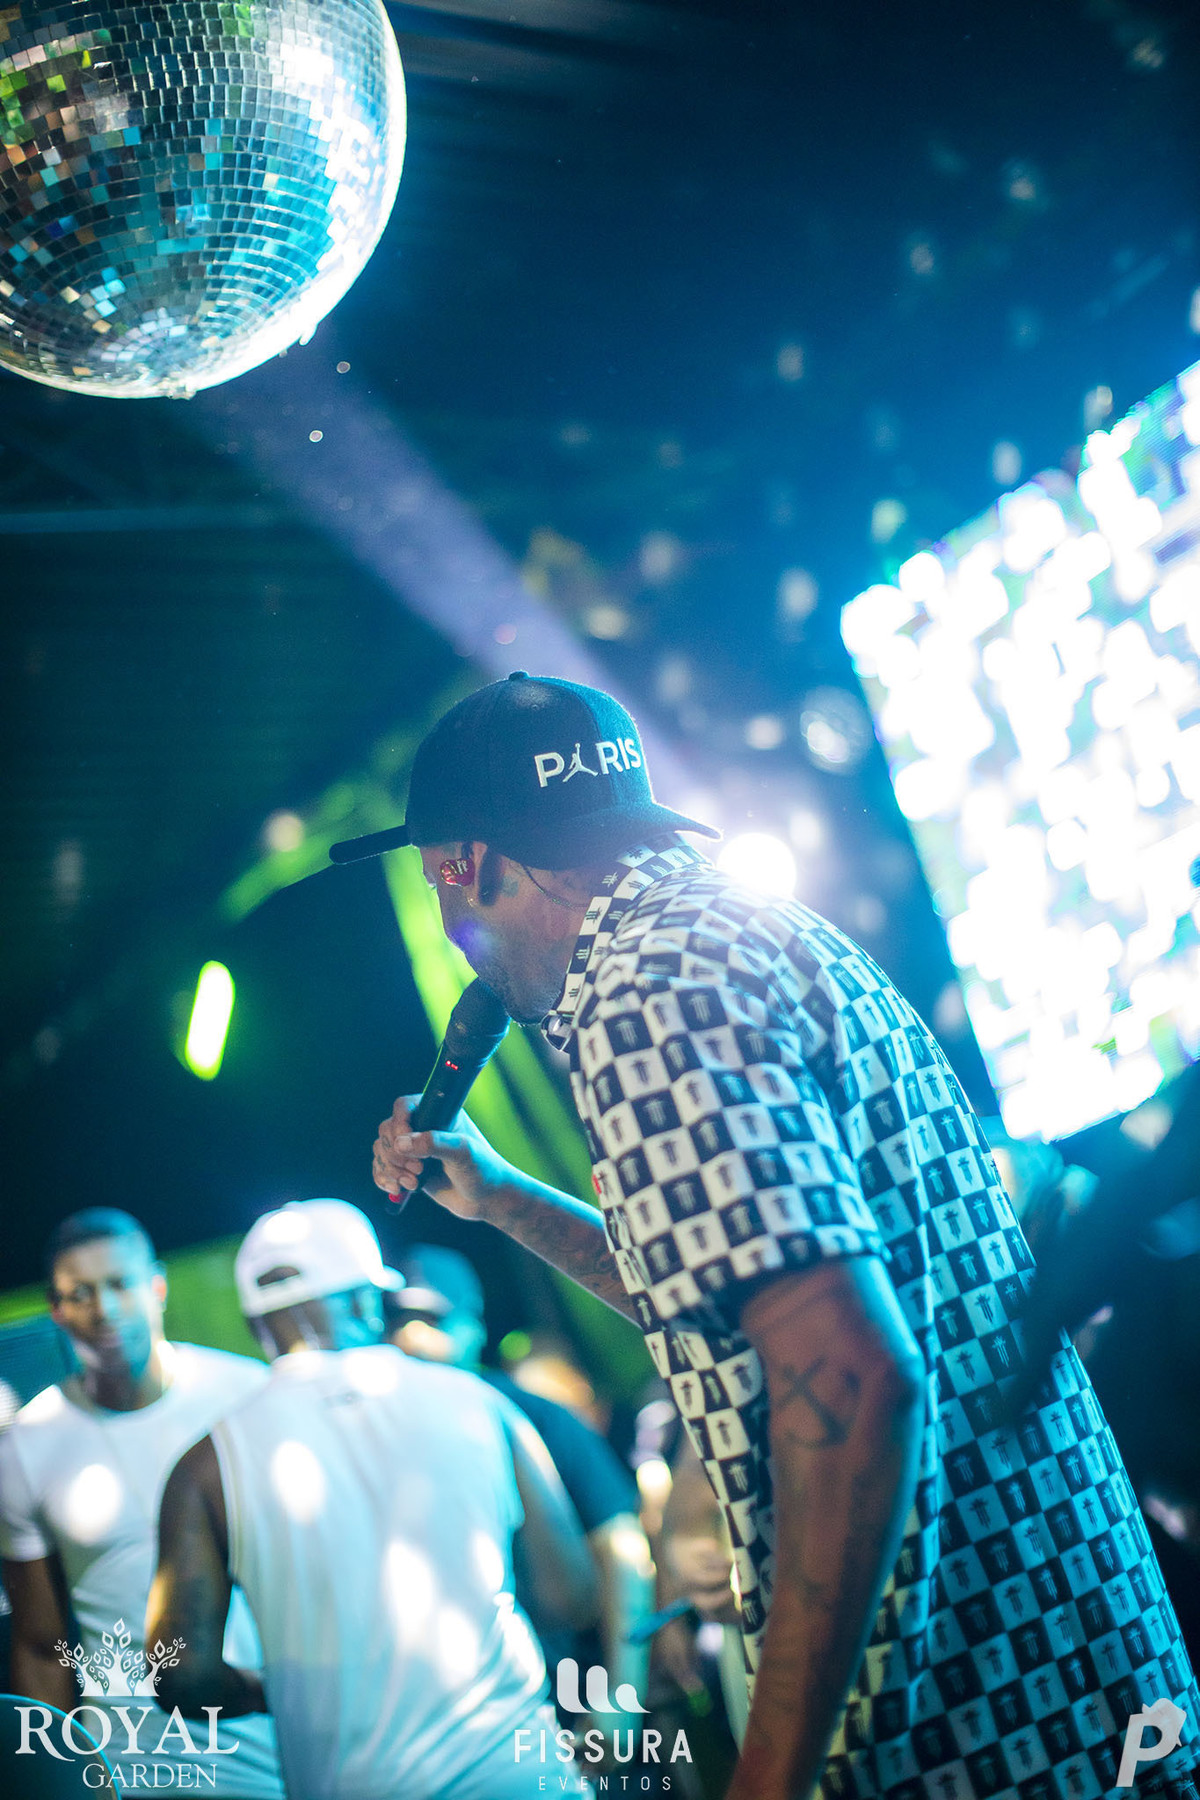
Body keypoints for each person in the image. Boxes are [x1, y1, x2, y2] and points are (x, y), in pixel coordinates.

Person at [361, 671, 1200, 1800]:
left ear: (474, 863)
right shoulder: (738, 931)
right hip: (1079, 1669)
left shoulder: (642, 995)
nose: (452, 931)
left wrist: (771, 1776)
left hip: (972, 1718)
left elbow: (852, 1378)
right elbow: (741, 1301)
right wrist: (508, 1199)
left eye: (436, 884)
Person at [147, 1198, 596, 1800]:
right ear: (365, 1300)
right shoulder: (480, 1403)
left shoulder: (205, 1467)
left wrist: (270, 1691)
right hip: (518, 1775)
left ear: (257, 1325)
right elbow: (572, 1597)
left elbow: (180, 1677)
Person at [0, 1207, 284, 1798]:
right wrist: (53, 1777)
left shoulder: (248, 1396)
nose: (103, 1309)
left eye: (119, 1284)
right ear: (55, 1309)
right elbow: (39, 1647)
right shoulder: (26, 1445)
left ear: (156, 1286)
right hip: (127, 1767)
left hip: (270, 1746)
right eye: (80, 1293)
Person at [389, 1243, 655, 1720]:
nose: (411, 1338)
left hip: (560, 1692)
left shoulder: (531, 1413)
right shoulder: (381, 1435)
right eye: (397, 1321)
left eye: (434, 1320)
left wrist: (619, 1697)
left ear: (474, 1327)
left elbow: (619, 1547)